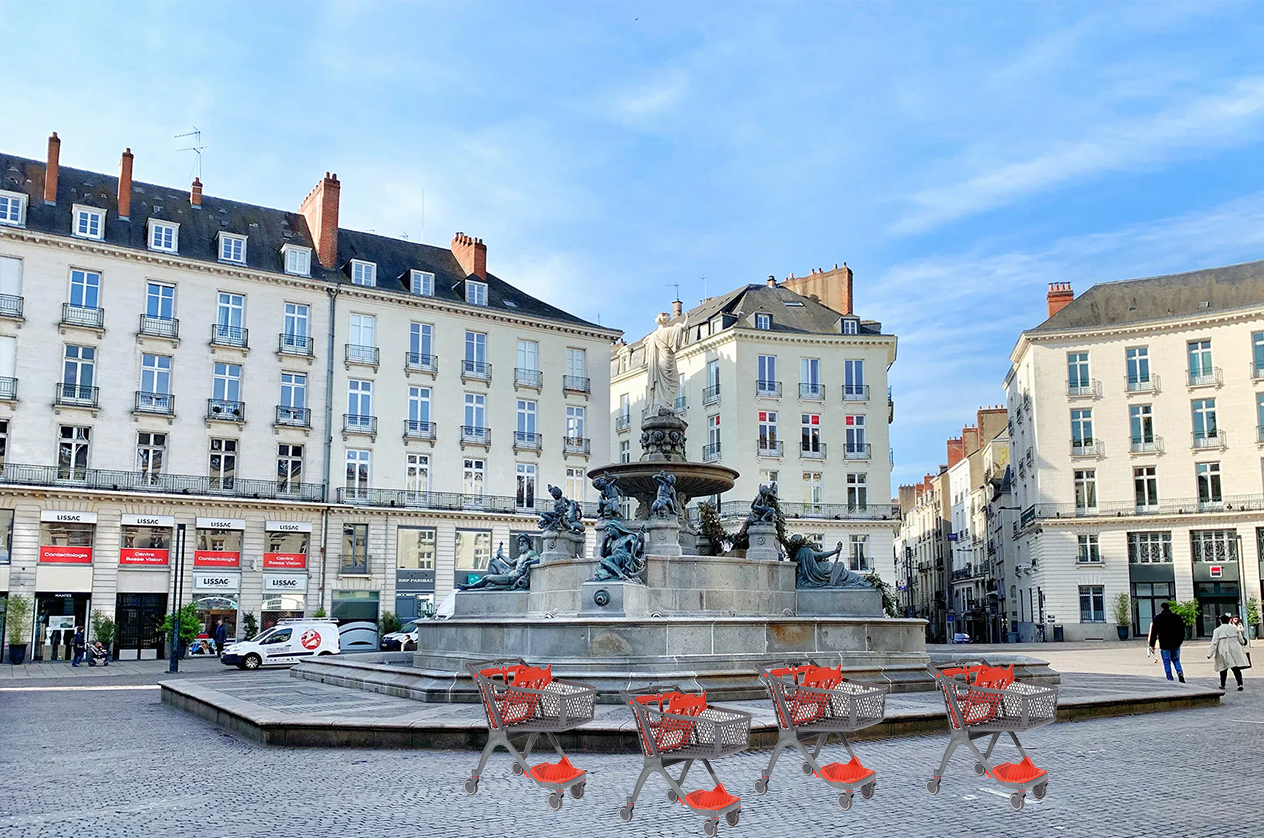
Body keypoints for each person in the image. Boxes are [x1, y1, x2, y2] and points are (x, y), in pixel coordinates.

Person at [1208, 613, 1250, 691]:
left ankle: (1222, 684)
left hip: (1222, 650)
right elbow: (1241, 640)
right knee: (1236, 669)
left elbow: (1214, 643)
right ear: (1229, 620)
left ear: (1220, 621)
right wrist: (1243, 643)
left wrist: (1209, 654)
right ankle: (1240, 684)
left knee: (1223, 668)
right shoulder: (1235, 629)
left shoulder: (1217, 630)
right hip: (1235, 650)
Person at [1147, 601, 1186, 683]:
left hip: (1164, 643)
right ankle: (1180, 672)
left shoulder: (1158, 618)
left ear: (1161, 608)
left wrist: (1152, 644)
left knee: (1166, 661)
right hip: (1176, 643)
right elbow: (1182, 630)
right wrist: (1180, 640)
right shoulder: (1177, 617)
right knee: (1176, 659)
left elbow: (1154, 632)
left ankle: (1169, 678)